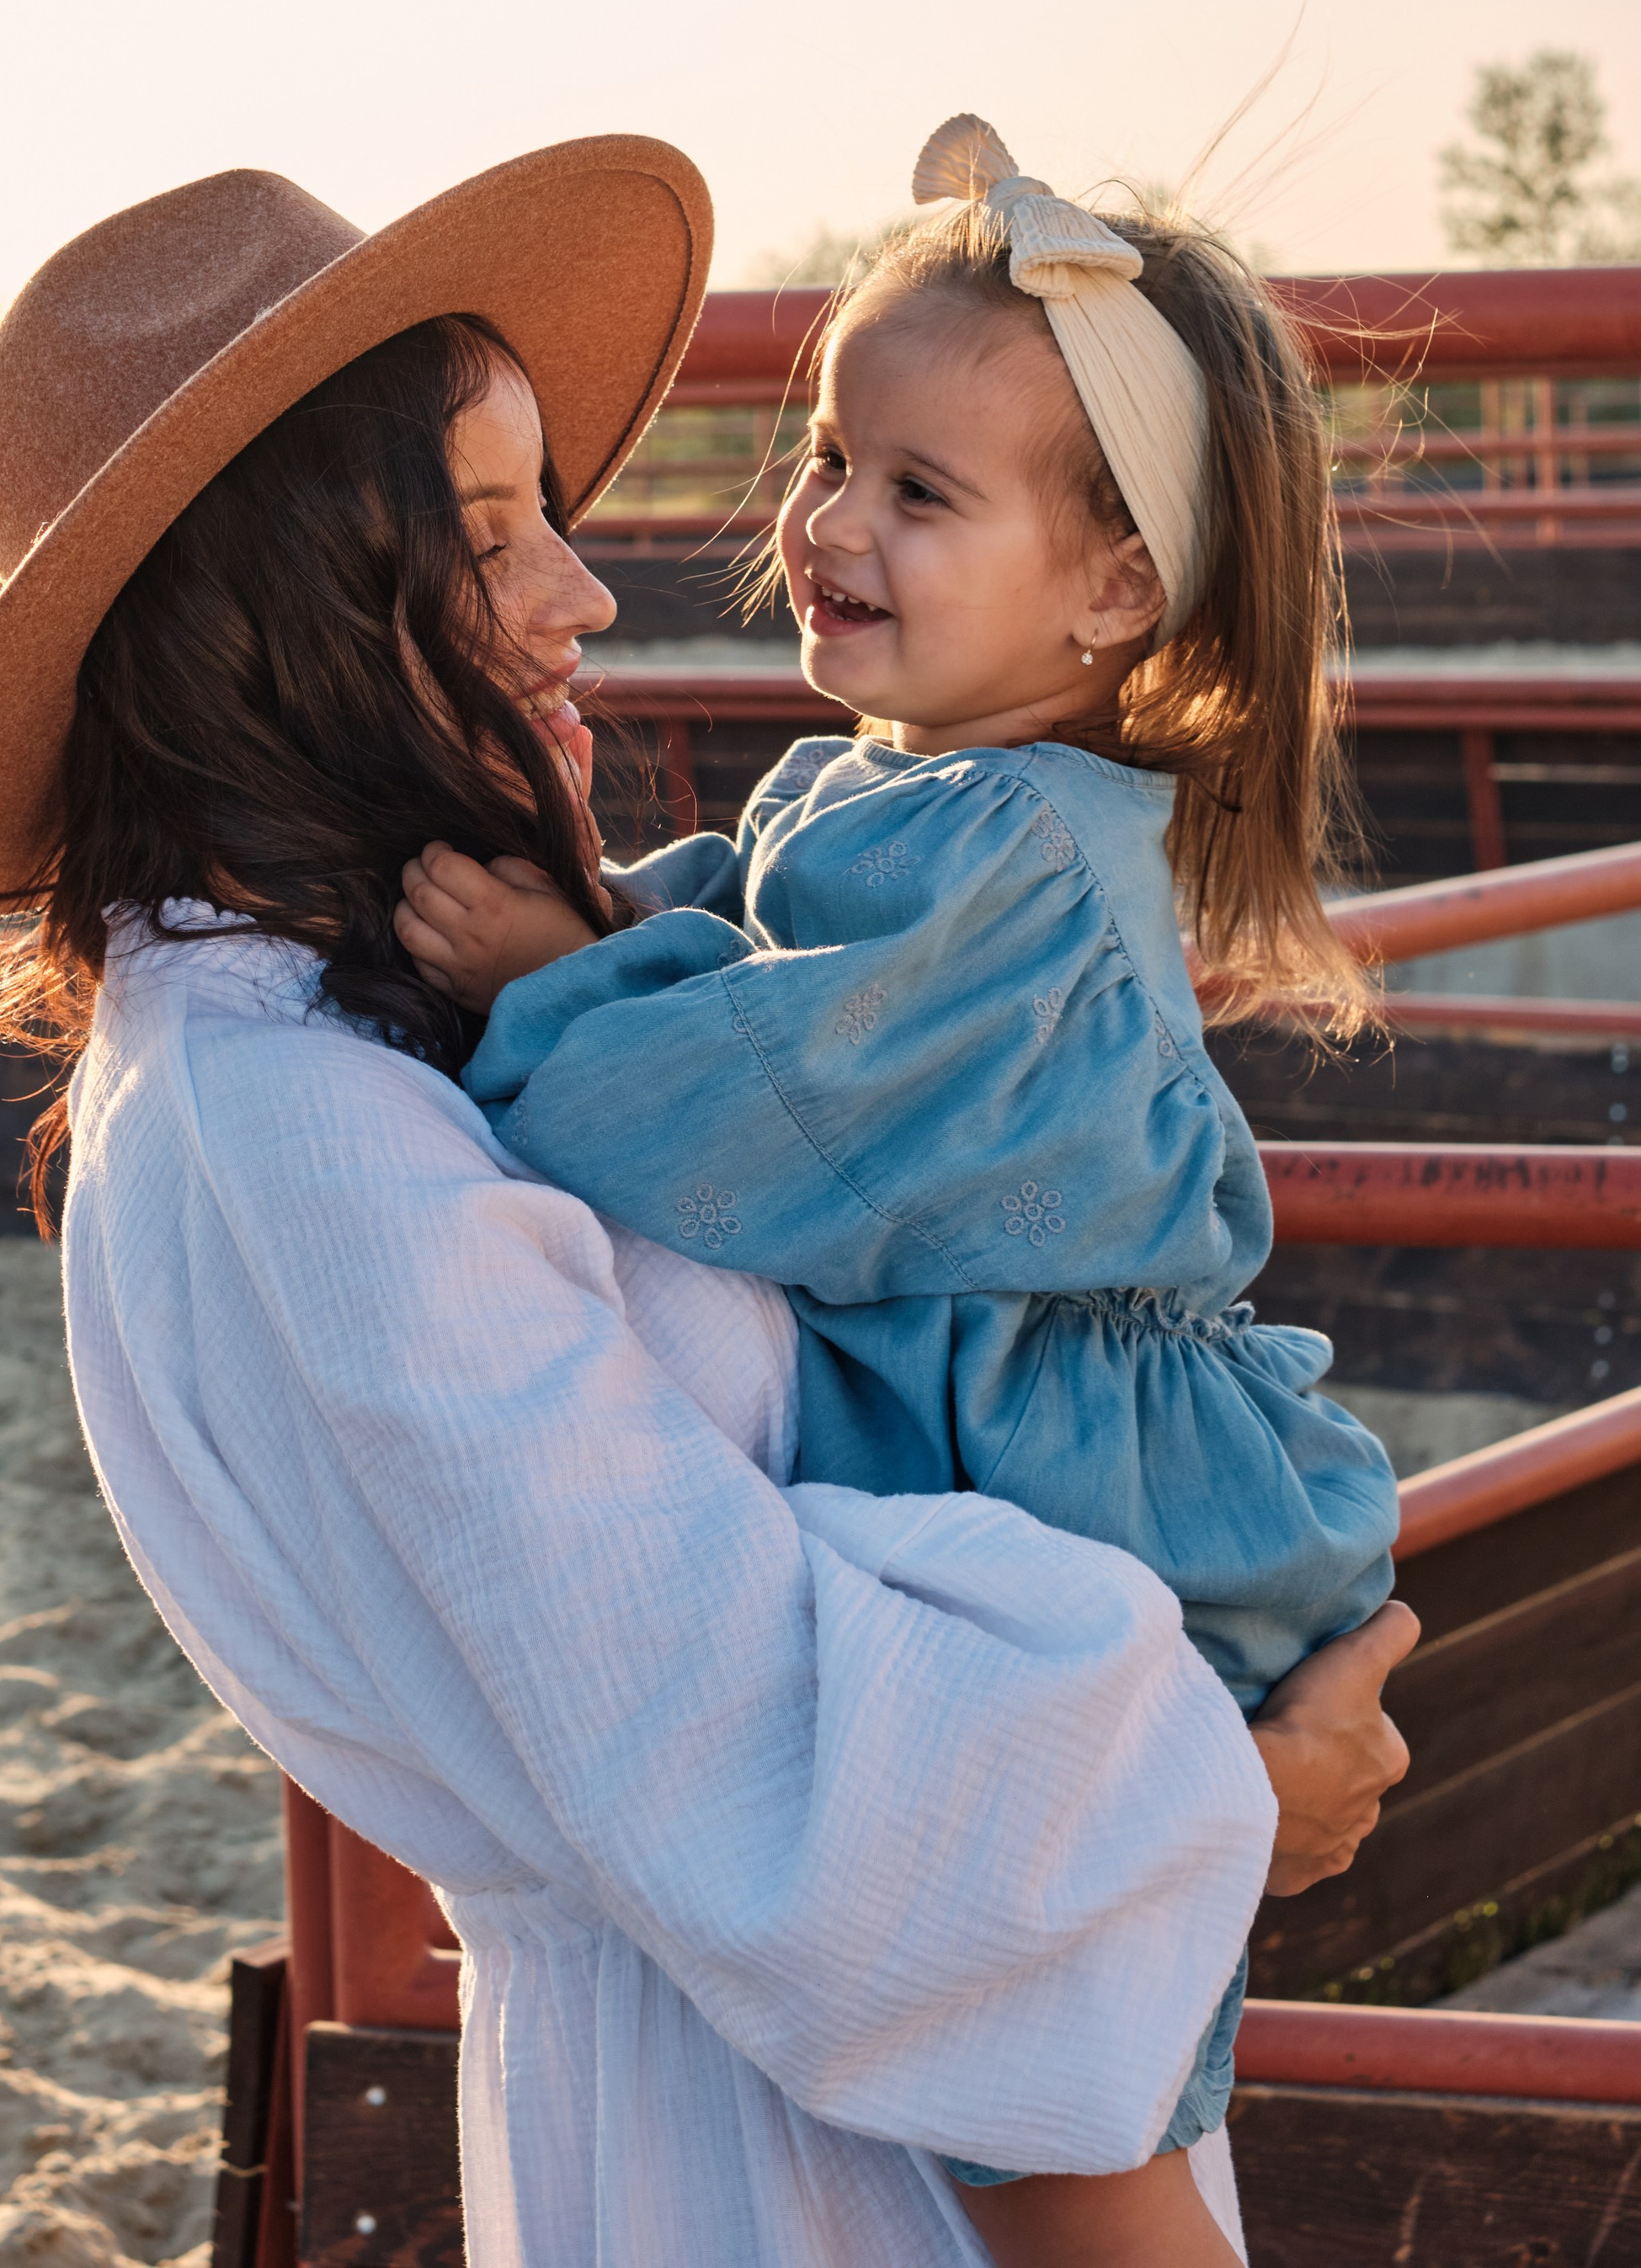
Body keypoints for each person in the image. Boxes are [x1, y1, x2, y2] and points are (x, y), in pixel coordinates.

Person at [0, 137, 1414, 2268]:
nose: (584, 596)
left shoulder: (332, 1030)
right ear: (272, 608)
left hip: (878, 2032)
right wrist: (1224, 1792)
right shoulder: (301, 1129)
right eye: (486, 535)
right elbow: (734, 1735)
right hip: (784, 2129)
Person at [394, 119, 1401, 2260]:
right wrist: (618, 924)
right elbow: (758, 941)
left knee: (1058, 2105)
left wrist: (556, 978)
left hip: (1099, 1492)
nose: (829, 521)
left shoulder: (1009, 853)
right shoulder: (919, 788)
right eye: (829, 459)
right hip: (1041, 1449)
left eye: (917, 494)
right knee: (1041, 2065)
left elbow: (773, 1107)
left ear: (1114, 590)